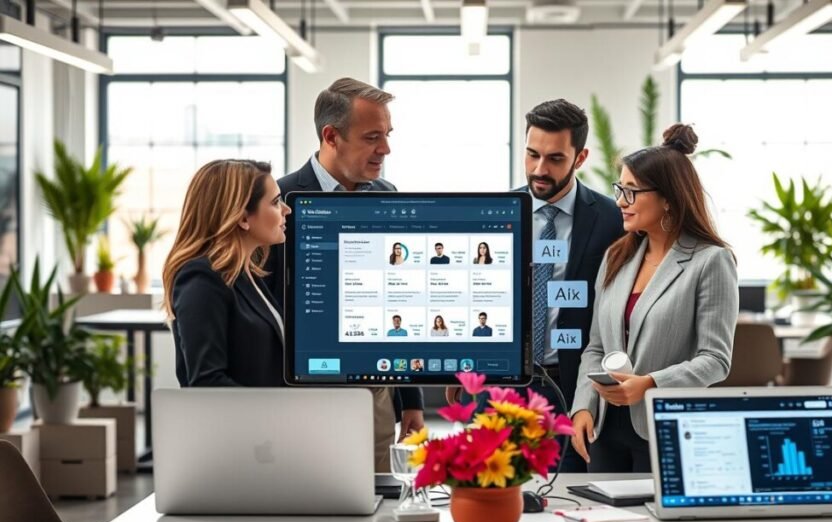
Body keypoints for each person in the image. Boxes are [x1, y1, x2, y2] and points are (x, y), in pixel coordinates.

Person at [446, 99, 622, 473]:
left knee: (566, 498)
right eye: (532, 155)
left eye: (555, 158)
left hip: (569, 389)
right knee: (491, 487)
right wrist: (457, 365)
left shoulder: (610, 219)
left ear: (581, 156)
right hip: (497, 385)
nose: (540, 169)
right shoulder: (494, 212)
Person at [262, 77, 423, 471]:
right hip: (300, 398)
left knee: (379, 507)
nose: (385, 148)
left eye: (387, 135)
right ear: (331, 136)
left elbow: (400, 301)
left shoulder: (388, 196)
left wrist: (412, 400)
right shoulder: (278, 203)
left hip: (376, 396)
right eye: (372, 137)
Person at [570, 124, 738, 473]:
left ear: (667, 198)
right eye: (620, 189)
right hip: (604, 431)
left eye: (631, 191)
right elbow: (596, 348)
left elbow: (715, 360)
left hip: (667, 429)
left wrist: (650, 384)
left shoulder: (711, 261)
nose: (620, 201)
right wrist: (583, 406)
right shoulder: (616, 256)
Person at [163, 159, 290, 387]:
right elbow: (207, 383)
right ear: (242, 218)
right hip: (239, 421)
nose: (286, 210)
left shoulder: (246, 274)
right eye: (275, 202)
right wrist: (271, 411)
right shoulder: (202, 279)